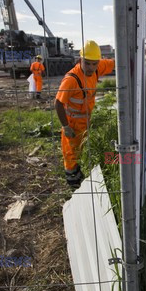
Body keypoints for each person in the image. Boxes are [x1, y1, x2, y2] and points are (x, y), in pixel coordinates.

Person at [54, 40, 115, 188]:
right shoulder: (71, 80)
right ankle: (73, 184)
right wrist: (66, 126)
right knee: (71, 156)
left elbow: (114, 62)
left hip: (85, 121)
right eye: (87, 63)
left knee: (82, 152)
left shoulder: (97, 67)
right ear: (81, 60)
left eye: (94, 63)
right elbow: (58, 103)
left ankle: (81, 178)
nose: (91, 67)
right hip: (72, 124)